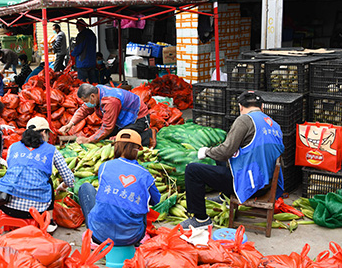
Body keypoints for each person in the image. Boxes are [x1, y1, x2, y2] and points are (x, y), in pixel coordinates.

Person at [180, 91, 284, 230]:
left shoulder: (245, 120)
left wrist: (206, 152)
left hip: (250, 185)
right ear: (262, 107)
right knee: (224, 155)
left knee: (193, 170)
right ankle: (225, 198)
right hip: (267, 183)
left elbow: (225, 151)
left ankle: (200, 219)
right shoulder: (274, 125)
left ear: (241, 107)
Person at [78, 129, 160, 246]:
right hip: (132, 237)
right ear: (137, 151)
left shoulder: (104, 166)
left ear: (116, 148)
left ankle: (93, 236)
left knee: (86, 188)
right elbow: (155, 200)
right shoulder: (145, 175)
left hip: (100, 235)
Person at [0, 117, 74, 231]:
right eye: (47, 133)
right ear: (43, 132)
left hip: (6, 205)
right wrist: (62, 187)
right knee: (49, 182)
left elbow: (11, 168)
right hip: (36, 210)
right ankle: (50, 222)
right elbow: (69, 180)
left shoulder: (13, 147)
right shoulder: (51, 150)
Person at [59, 83, 153, 146]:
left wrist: (88, 140)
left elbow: (107, 127)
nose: (86, 103)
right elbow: (84, 109)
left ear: (92, 96)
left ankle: (148, 135)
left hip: (138, 117)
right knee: (106, 137)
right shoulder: (97, 91)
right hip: (122, 118)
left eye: (86, 101)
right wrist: (70, 124)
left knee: (123, 140)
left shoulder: (110, 101)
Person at [70, 19, 97, 83]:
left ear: (80, 26)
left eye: (77, 27)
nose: (77, 29)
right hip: (92, 61)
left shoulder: (81, 35)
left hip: (83, 62)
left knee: (82, 83)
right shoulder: (92, 34)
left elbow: (79, 48)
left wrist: (72, 53)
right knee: (93, 82)